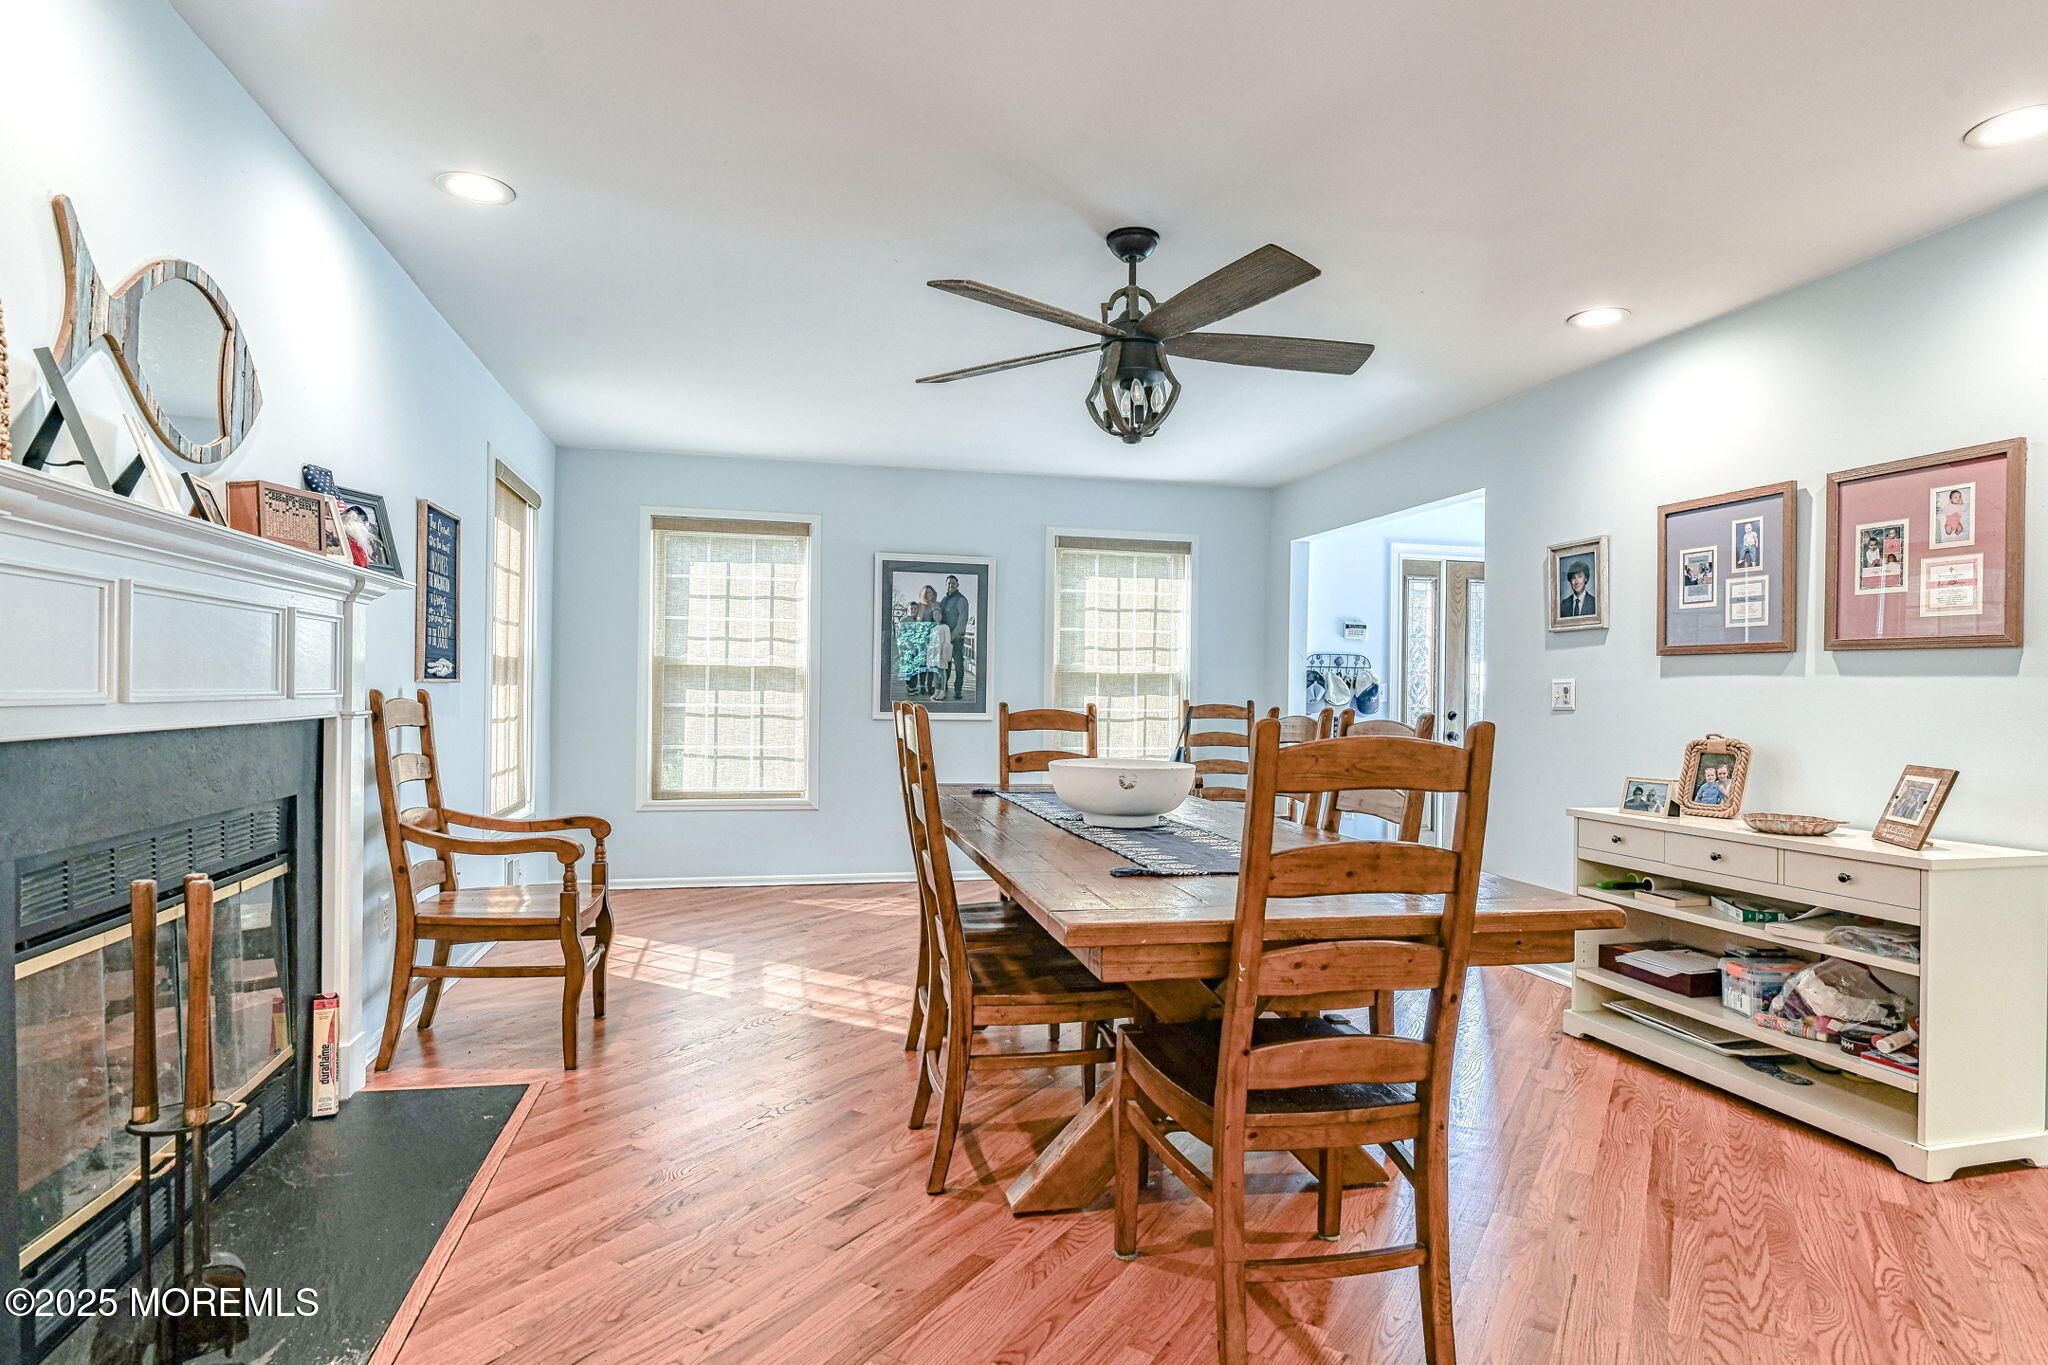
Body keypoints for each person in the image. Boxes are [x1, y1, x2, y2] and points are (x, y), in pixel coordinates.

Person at [937, 574, 970, 701]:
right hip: (945, 639)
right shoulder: (944, 600)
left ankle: (958, 690)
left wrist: (952, 636)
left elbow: (962, 622)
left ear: (957, 585)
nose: (951, 585)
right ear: (946, 585)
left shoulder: (961, 600)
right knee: (945, 664)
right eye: (949, 583)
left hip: (957, 639)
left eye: (953, 583)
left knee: (958, 665)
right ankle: (944, 688)